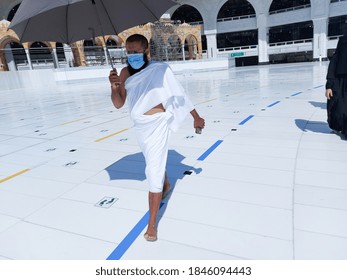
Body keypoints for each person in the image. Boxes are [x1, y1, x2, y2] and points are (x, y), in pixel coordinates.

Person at [108, 34, 205, 241]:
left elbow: (180, 94)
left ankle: (152, 224)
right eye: (128, 52)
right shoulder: (124, 73)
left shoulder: (160, 70)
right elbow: (118, 103)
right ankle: (167, 184)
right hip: (140, 128)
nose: (131, 55)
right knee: (154, 161)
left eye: (135, 51)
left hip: (158, 124)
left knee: (152, 170)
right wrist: (115, 86)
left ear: (146, 51)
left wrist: (196, 117)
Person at [325, 23, 347, 138]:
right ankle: (339, 127)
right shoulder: (342, 41)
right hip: (340, 80)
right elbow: (334, 62)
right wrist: (329, 85)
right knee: (338, 107)